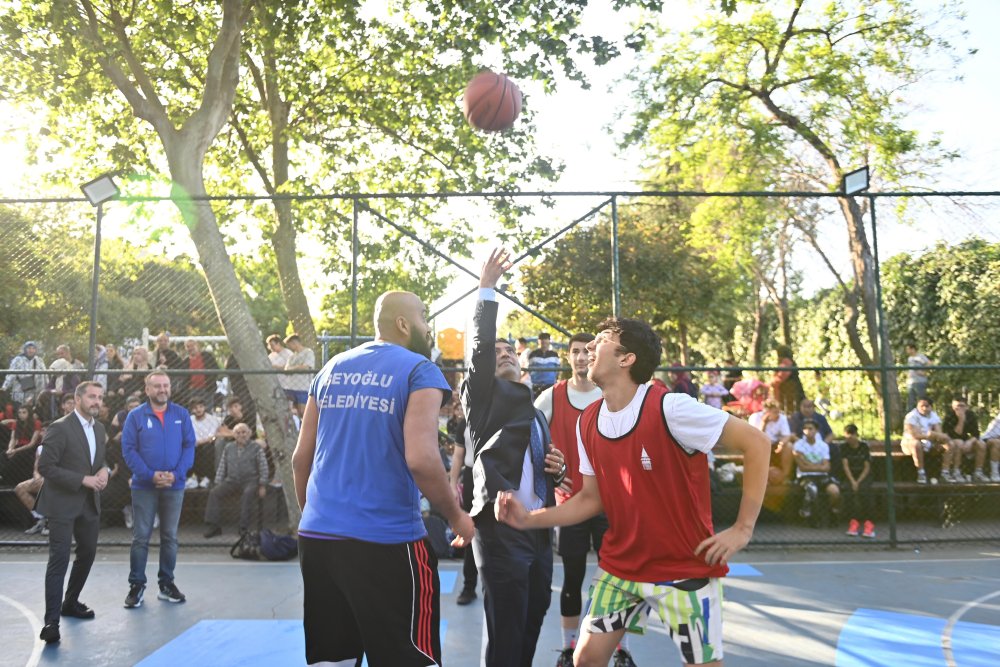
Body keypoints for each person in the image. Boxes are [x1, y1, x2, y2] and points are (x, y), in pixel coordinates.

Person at [497, 315, 770, 667]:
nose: (590, 347)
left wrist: (743, 528)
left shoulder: (670, 408)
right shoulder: (589, 420)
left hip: (683, 568)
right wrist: (528, 519)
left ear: (627, 359)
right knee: (585, 660)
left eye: (602, 340)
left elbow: (758, 444)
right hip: (621, 567)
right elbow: (590, 498)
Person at [291, 289, 474, 666]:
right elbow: (422, 459)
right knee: (409, 657)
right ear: (404, 324)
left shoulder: (331, 369)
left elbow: (300, 460)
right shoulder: (420, 370)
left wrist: (318, 519)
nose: (429, 327)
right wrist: (457, 518)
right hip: (386, 542)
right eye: (424, 318)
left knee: (333, 658)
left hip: (318, 539)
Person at [463, 249, 567, 667]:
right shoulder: (482, 398)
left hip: (539, 528)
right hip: (502, 527)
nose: (504, 353)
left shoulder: (535, 410)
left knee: (534, 614)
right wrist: (486, 288)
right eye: (497, 351)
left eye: (510, 351)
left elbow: (540, 468)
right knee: (506, 625)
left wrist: (555, 471)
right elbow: (479, 345)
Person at [536, 332, 636, 667]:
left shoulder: (610, 395)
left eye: (587, 352)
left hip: (611, 503)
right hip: (571, 503)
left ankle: (620, 650)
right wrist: (548, 470)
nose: (581, 357)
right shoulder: (552, 397)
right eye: (576, 352)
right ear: (568, 358)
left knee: (618, 579)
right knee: (573, 578)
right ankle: (568, 648)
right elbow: (528, 440)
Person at [35, 381, 108, 644]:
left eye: (100, 397)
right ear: (78, 399)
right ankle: (51, 622)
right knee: (59, 560)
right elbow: (46, 467)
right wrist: (83, 480)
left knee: (87, 554)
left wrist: (103, 472)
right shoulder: (59, 427)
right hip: (62, 504)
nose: (96, 401)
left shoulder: (99, 428)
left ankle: (71, 602)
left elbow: (99, 460)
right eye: (91, 396)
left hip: (89, 505)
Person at [121, 371, 196, 608]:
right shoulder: (135, 416)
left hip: (175, 485)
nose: (162, 389)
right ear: (147, 390)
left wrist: (175, 475)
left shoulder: (181, 415)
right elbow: (128, 450)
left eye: (166, 385)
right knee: (141, 537)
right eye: (157, 386)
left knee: (169, 537)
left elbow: (189, 447)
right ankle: (137, 586)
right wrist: (149, 475)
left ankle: (166, 584)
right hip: (144, 486)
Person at [203, 423, 268, 537]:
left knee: (247, 494)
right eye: (238, 432)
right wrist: (218, 483)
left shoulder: (256, 448)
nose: (241, 435)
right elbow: (222, 466)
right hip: (232, 480)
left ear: (249, 433)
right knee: (214, 493)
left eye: (244, 432)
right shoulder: (229, 448)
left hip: (250, 480)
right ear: (233, 435)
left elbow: (263, 466)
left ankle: (243, 528)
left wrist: (262, 485)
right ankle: (214, 526)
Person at [792, 420, 840, 523]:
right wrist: (818, 466)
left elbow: (827, 467)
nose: (807, 431)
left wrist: (810, 465)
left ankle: (833, 512)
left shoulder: (823, 445)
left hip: (822, 476)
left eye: (810, 428)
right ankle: (807, 514)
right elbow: (802, 468)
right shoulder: (798, 445)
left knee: (834, 491)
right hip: (805, 476)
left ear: (816, 430)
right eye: (805, 429)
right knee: (812, 489)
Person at [901, 397, 951, 484]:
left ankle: (945, 473)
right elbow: (915, 435)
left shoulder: (933, 415)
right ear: (917, 406)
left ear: (931, 407)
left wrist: (936, 436)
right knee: (916, 444)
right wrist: (930, 435)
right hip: (910, 443)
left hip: (930, 442)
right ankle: (921, 472)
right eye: (922, 406)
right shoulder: (911, 416)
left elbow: (939, 433)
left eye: (927, 406)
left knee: (950, 444)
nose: (924, 408)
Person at [839, 424, 875, 538]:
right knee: (849, 492)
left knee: (865, 492)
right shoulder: (843, 447)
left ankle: (869, 524)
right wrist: (853, 481)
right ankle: (853, 523)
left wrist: (858, 482)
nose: (849, 439)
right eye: (847, 436)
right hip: (850, 476)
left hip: (863, 476)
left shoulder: (864, 446)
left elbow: (867, 467)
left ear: (856, 435)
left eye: (851, 436)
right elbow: (845, 466)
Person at [941, 396, 987, 483]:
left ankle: (978, 472)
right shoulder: (949, 415)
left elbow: (976, 434)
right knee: (959, 442)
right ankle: (956, 471)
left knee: (981, 444)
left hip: (965, 441)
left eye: (961, 406)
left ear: (966, 407)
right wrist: (961, 419)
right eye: (956, 406)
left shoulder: (971, 415)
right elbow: (955, 434)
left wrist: (970, 442)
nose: (959, 408)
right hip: (951, 440)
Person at [188, 397, 221, 487]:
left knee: (206, 449)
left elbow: (213, 436)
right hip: (194, 444)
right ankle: (192, 478)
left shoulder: (212, 419)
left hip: (208, 443)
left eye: (200, 406)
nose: (198, 409)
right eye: (195, 407)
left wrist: (200, 442)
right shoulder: (189, 420)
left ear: (205, 407)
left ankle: (207, 478)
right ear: (192, 410)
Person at [178, 339, 219, 408]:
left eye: (192, 345)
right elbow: (182, 378)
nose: (190, 348)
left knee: (207, 410)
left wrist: (210, 381)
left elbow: (216, 369)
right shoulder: (185, 361)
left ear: (197, 346)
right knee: (193, 410)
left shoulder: (207, 356)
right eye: (188, 346)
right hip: (192, 391)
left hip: (207, 390)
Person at [2, 341, 44, 407]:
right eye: (29, 348)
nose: (31, 350)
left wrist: (43, 391)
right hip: (19, 392)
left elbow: (43, 376)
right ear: (25, 349)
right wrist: (5, 387)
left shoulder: (39, 360)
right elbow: (11, 374)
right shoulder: (18, 359)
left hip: (34, 393)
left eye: (33, 348)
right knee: (18, 411)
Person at [284, 334, 315, 414]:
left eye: (289, 345)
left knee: (303, 412)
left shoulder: (308, 352)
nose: (289, 347)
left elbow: (306, 366)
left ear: (295, 343)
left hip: (303, 387)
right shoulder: (292, 356)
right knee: (292, 411)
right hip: (290, 387)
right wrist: (298, 367)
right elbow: (286, 369)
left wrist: (293, 368)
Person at [528, 331, 560, 397]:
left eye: (546, 338)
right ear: (538, 341)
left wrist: (555, 379)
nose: (544, 341)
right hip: (536, 385)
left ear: (549, 341)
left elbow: (558, 369)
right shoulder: (533, 354)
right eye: (542, 339)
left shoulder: (554, 354)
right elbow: (529, 368)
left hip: (551, 384)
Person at [266, 334, 294, 399]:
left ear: (278, 343)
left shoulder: (288, 353)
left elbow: (290, 367)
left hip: (288, 384)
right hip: (275, 384)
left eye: (272, 345)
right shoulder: (271, 356)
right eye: (269, 346)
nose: (271, 347)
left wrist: (276, 367)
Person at [904, 343, 930, 412]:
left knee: (921, 400)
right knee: (911, 401)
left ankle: (923, 414)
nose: (907, 351)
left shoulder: (920, 357)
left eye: (908, 349)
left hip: (920, 381)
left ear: (913, 349)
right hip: (911, 382)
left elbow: (929, 363)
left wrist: (924, 372)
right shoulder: (909, 358)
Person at [977, 409, 1000, 482]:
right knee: (997, 442)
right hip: (987, 441)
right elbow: (995, 436)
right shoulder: (998, 420)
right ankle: (994, 474)